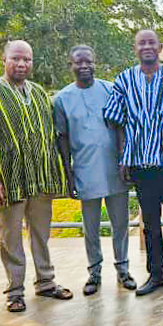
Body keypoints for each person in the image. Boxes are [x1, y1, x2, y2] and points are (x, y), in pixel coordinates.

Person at [0, 40, 73, 313]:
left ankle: (46, 282)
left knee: (41, 234)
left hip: (39, 178)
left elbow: (48, 136)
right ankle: (15, 291)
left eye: (27, 59)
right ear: (4, 59)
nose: (22, 64)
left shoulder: (39, 93)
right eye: (16, 58)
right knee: (10, 237)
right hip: (8, 180)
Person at [103, 29, 163, 296]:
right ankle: (156, 275)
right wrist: (124, 157)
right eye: (141, 43)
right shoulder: (124, 80)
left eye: (151, 43)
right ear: (135, 48)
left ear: (160, 47)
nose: (146, 47)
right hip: (141, 164)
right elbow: (117, 120)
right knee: (150, 225)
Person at [54, 45, 136, 296]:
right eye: (78, 62)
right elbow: (62, 138)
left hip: (114, 168)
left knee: (120, 223)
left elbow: (122, 126)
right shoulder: (62, 99)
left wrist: (124, 160)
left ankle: (123, 269)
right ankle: (94, 272)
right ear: (70, 66)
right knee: (90, 227)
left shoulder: (110, 90)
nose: (84, 66)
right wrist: (68, 174)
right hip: (84, 169)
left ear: (95, 63)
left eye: (88, 61)